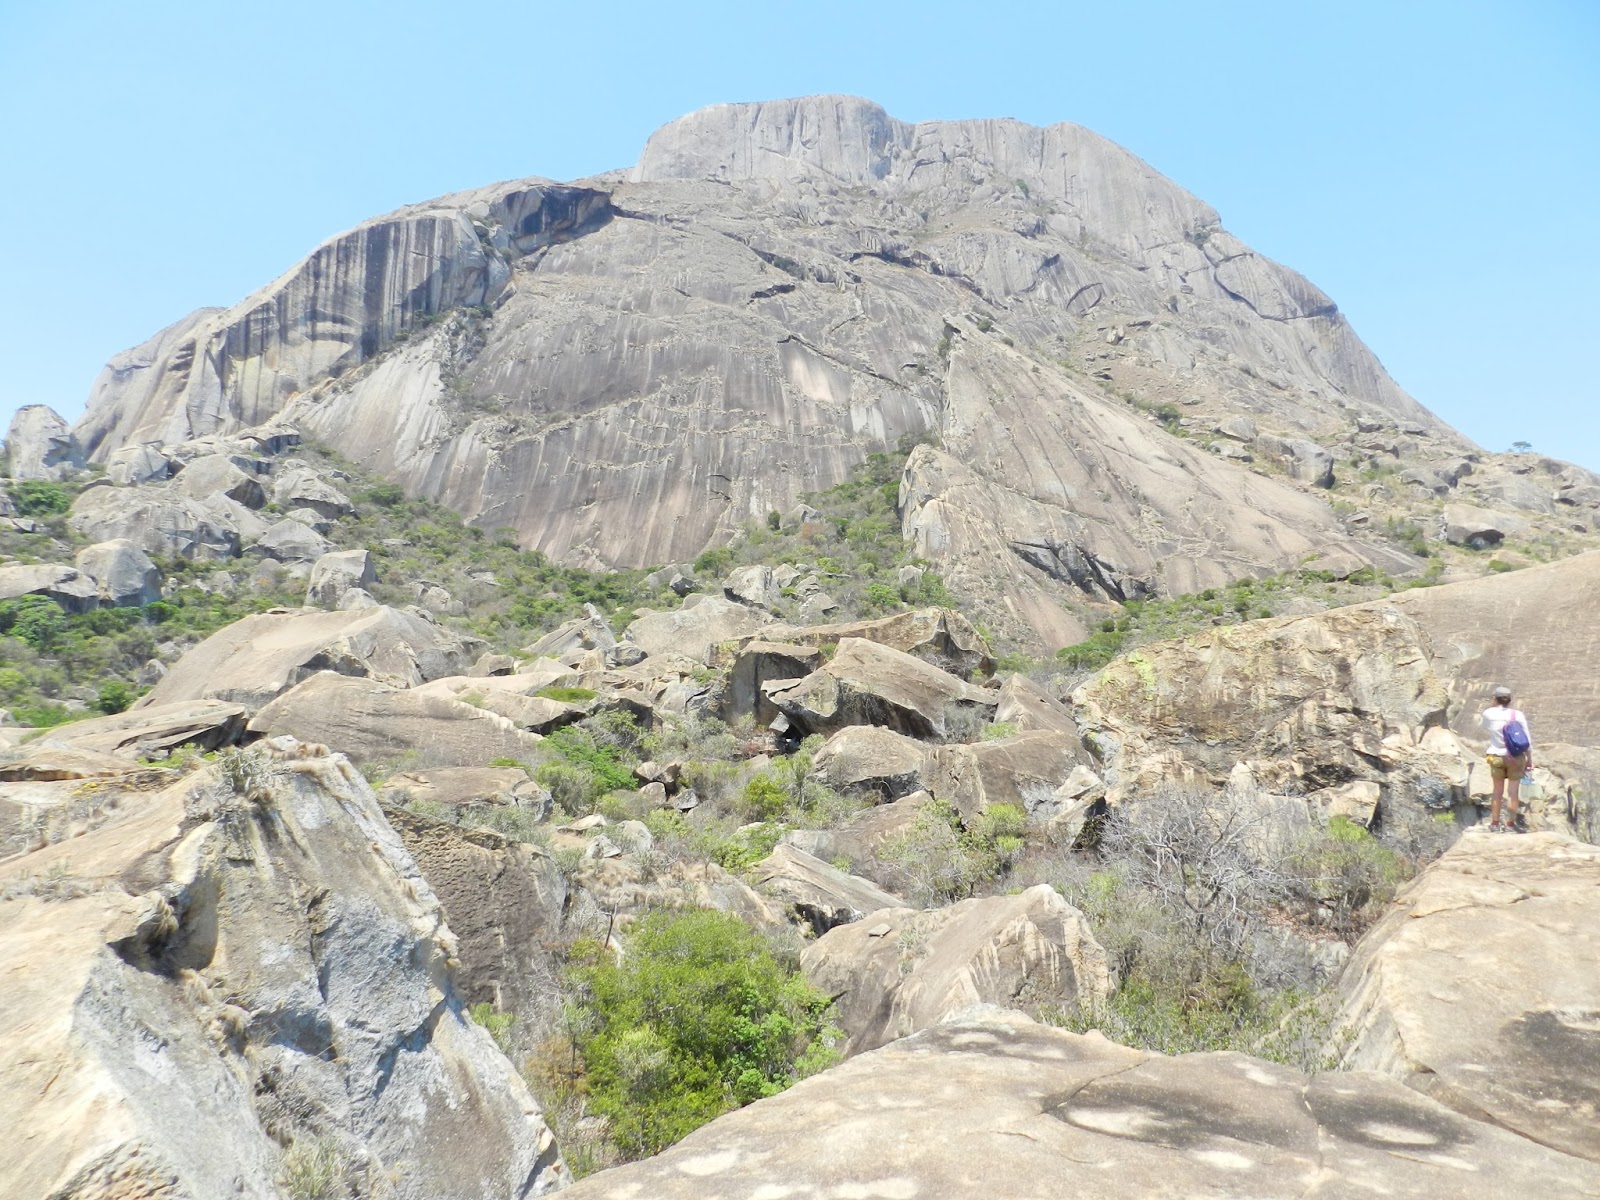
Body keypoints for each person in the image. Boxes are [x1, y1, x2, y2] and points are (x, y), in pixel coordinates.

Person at [1481, 685, 1534, 832]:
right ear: (1510, 700)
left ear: (1495, 698)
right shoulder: (1517, 715)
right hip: (1516, 758)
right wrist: (1529, 759)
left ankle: (1495, 823)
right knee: (1513, 792)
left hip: (1496, 757)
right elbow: (1527, 740)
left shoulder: (1488, 713)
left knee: (1497, 791)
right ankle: (1510, 824)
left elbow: (1484, 727)